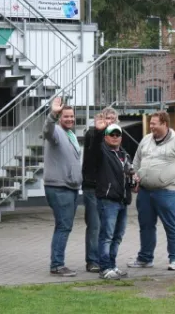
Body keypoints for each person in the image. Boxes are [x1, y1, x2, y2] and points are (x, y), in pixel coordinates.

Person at [128, 111, 175, 271]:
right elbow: (137, 161)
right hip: (145, 192)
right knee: (146, 226)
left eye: (154, 124)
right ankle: (145, 258)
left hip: (168, 192)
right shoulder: (146, 140)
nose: (151, 127)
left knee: (172, 225)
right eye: (150, 123)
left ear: (164, 124)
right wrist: (135, 178)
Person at [43, 96, 83, 277]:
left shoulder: (71, 135)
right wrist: (52, 114)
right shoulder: (56, 133)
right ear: (60, 118)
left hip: (71, 187)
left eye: (72, 116)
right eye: (66, 116)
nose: (70, 119)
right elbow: (47, 130)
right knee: (63, 226)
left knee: (64, 225)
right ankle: (57, 265)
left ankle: (57, 263)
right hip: (60, 187)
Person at [90, 119, 133, 280]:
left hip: (122, 199)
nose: (115, 137)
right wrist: (98, 131)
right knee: (106, 235)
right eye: (111, 134)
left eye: (118, 134)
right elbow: (92, 148)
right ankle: (105, 267)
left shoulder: (124, 154)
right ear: (106, 137)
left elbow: (127, 175)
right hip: (108, 199)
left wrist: (133, 180)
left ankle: (112, 265)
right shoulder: (101, 151)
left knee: (117, 235)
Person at [81, 107, 119, 273]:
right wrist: (98, 132)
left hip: (109, 190)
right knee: (95, 225)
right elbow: (92, 156)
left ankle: (107, 260)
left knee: (110, 227)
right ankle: (92, 260)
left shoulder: (116, 136)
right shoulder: (93, 134)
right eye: (107, 118)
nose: (110, 121)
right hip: (93, 187)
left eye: (112, 118)